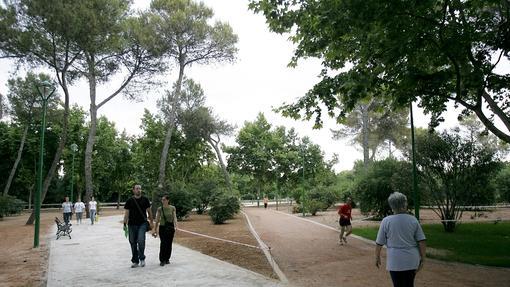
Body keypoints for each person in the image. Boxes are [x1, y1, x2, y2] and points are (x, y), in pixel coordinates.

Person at [375, 192, 426, 287]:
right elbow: (421, 241)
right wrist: (423, 258)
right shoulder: (413, 220)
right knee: (409, 284)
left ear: (391, 206)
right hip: (411, 259)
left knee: (397, 284)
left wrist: (377, 256)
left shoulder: (386, 221)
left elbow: (379, 242)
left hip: (395, 260)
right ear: (405, 204)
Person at [123, 184, 153, 268]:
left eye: (140, 188)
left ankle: (142, 258)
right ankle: (135, 261)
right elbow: (126, 213)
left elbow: (149, 212)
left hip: (142, 224)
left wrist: (151, 222)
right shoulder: (129, 200)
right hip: (131, 224)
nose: (138, 190)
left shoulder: (145, 200)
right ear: (133, 190)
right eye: (137, 189)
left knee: (141, 241)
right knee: (132, 242)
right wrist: (125, 224)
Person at [153, 195, 178, 266]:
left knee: (169, 243)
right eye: (162, 200)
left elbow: (174, 217)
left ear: (168, 200)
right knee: (163, 243)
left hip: (170, 227)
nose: (162, 201)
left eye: (164, 199)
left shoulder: (172, 208)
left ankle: (167, 258)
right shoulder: (160, 209)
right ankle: (162, 259)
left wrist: (176, 225)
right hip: (163, 227)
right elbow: (157, 219)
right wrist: (155, 229)